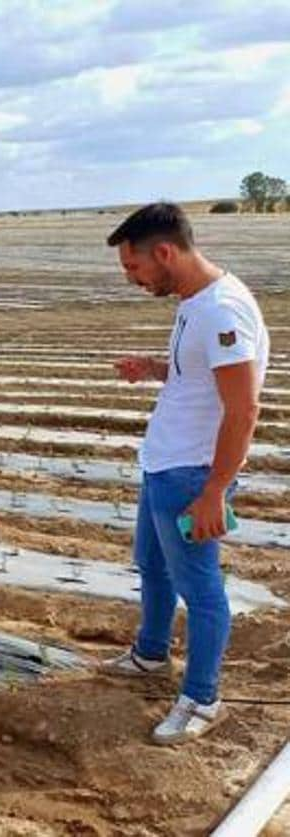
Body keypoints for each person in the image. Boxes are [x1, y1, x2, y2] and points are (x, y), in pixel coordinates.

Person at [102, 202, 269, 744]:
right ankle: (150, 655)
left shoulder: (222, 310)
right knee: (151, 567)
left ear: (166, 252)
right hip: (163, 462)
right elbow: (197, 378)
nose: (132, 279)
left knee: (200, 591)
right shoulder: (193, 301)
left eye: (135, 268)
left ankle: (202, 698)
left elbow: (243, 409)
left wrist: (216, 490)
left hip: (193, 474)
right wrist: (153, 368)